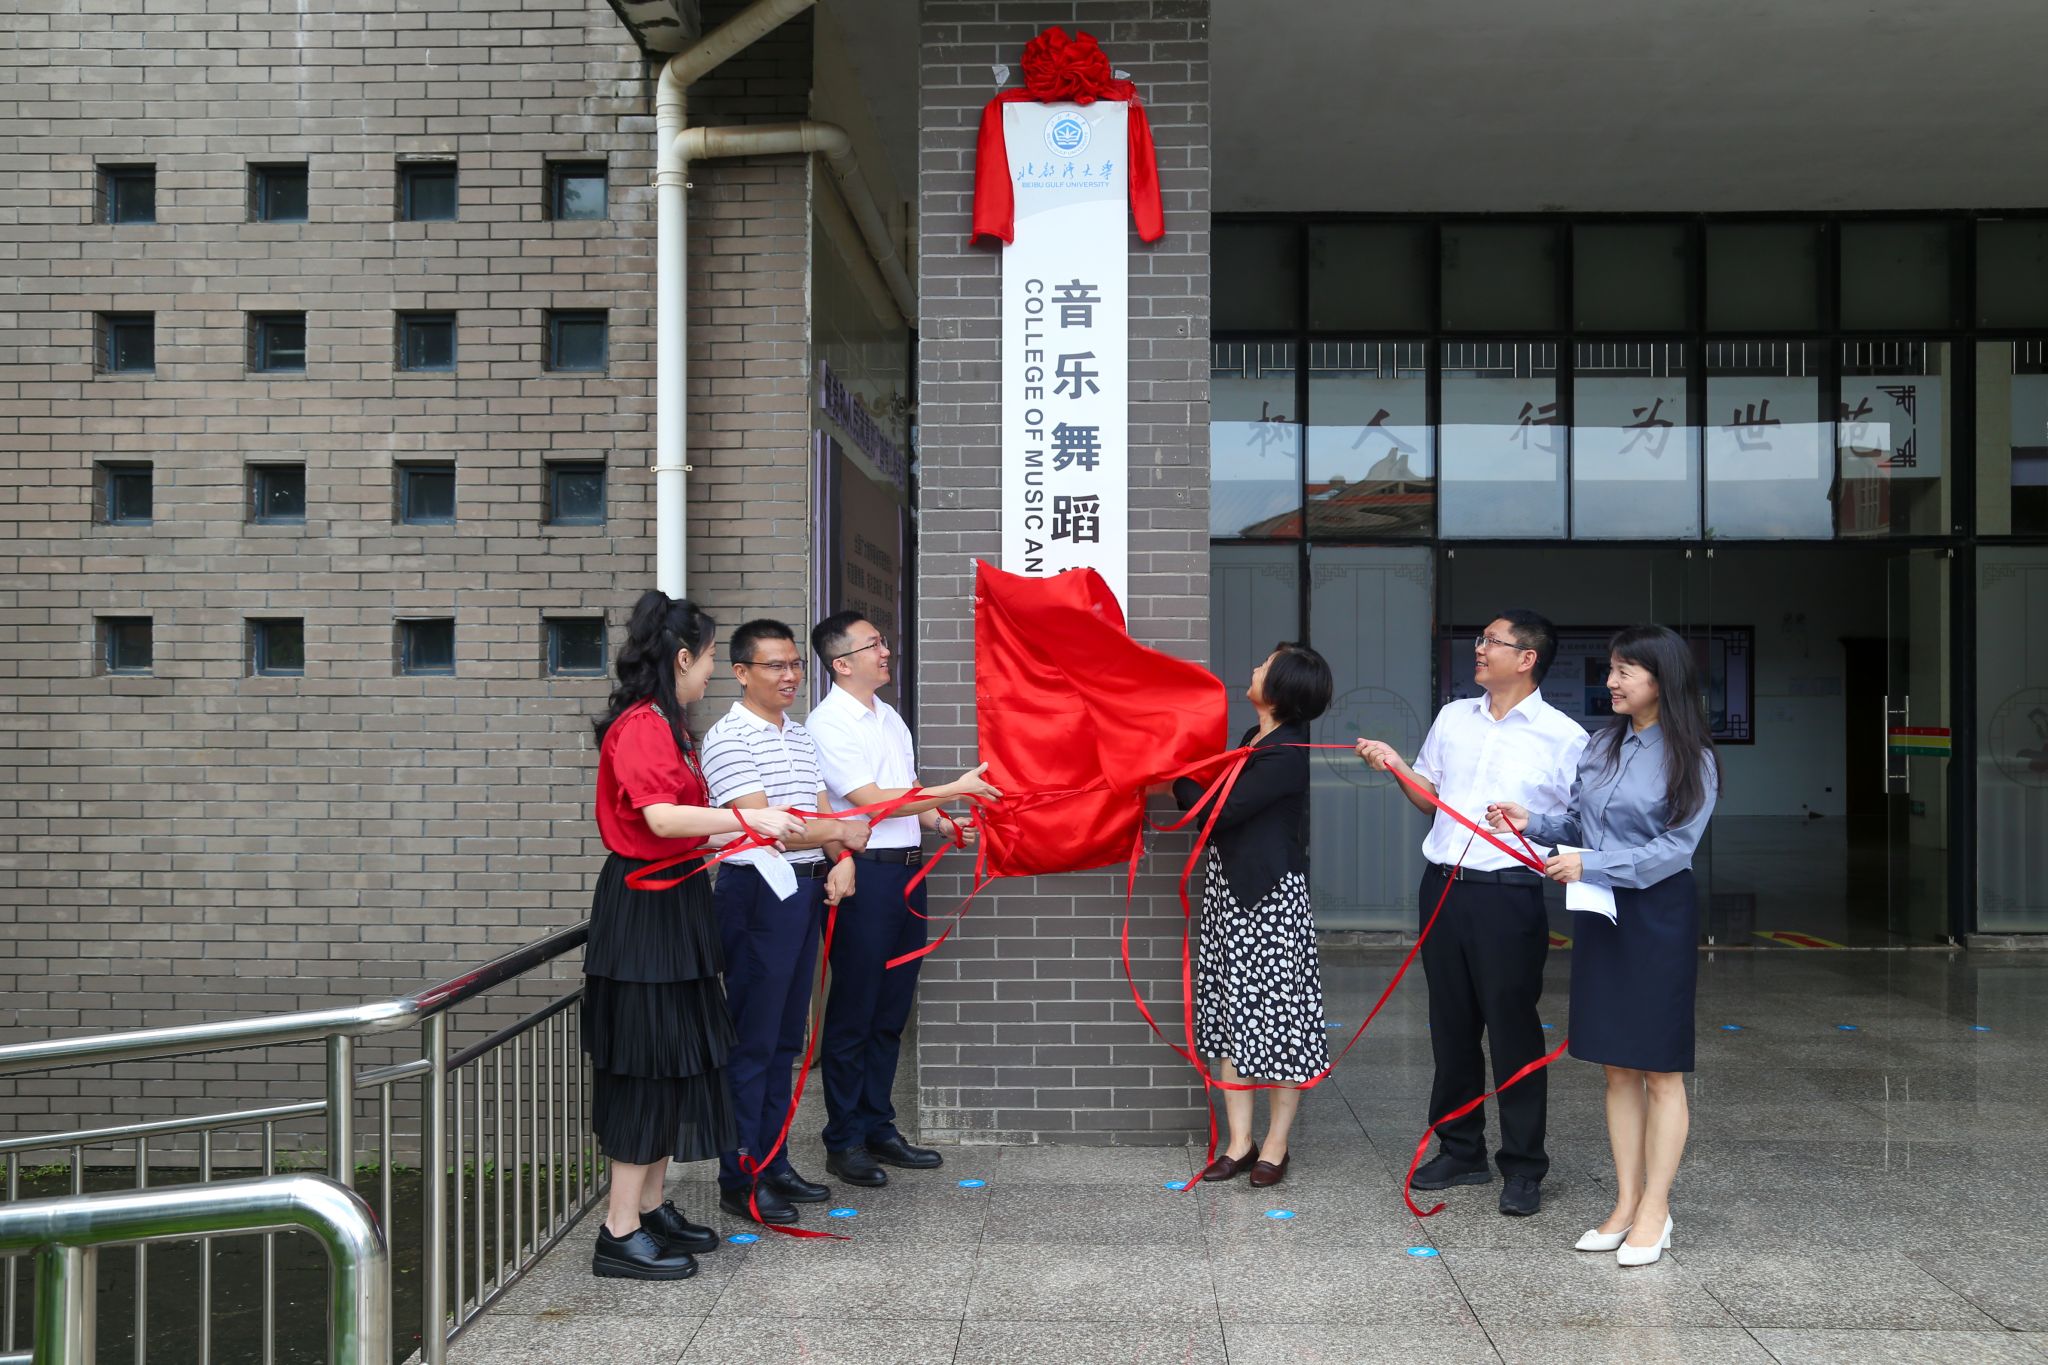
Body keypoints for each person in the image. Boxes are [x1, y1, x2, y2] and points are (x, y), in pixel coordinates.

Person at [584, 591, 807, 1280]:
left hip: (674, 902)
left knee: (675, 1060)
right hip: (645, 908)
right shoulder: (643, 726)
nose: (710, 671)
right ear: (682, 658)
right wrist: (747, 820)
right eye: (709, 657)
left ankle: (651, 1208)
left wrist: (739, 828)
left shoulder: (665, 724)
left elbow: (680, 821)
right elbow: (660, 818)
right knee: (646, 1065)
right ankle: (619, 1229)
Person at [1486, 625, 1719, 1266]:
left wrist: (1593, 866)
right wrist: (1533, 822)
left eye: (1624, 672)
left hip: (1657, 916)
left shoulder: (1692, 756)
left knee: (1660, 1067)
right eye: (1611, 669)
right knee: (1616, 1065)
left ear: (1662, 680)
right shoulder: (1602, 744)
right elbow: (1582, 823)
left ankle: (1656, 1209)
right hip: (1600, 913)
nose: (1610, 682)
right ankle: (1625, 1202)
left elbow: (1674, 850)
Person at [1356, 610, 1587, 1217]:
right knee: (1451, 1026)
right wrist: (1396, 765)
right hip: (1442, 888)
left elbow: (1583, 824)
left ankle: (1524, 1166)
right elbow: (1430, 800)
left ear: (1527, 658)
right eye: (1480, 639)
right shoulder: (1454, 717)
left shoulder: (1565, 737)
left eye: (1492, 641)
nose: (1479, 648)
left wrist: (1537, 829)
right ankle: (1460, 1150)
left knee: (1512, 1031)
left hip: (1508, 895)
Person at [805, 611, 1004, 1188]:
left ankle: (878, 1126)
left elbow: (907, 795)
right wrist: (955, 789)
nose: (885, 651)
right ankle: (844, 1139)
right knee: (855, 1011)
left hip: (908, 876)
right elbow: (872, 801)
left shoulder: (888, 717)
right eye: (873, 644)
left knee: (891, 1010)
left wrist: (941, 820)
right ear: (842, 663)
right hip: (863, 878)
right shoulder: (828, 723)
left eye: (883, 642)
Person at [700, 619, 871, 1226]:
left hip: (800, 889)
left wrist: (842, 858)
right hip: (756, 893)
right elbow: (762, 826)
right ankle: (740, 1174)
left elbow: (816, 812)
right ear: (741, 672)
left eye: (795, 663)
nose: (790, 675)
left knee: (784, 1039)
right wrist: (841, 831)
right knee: (753, 1038)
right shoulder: (728, 738)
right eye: (775, 665)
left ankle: (773, 1160)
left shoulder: (798, 735)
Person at [1175, 642, 1334, 1190]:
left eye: (1265, 665)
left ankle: (1275, 1146)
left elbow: (1219, 811)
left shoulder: (1285, 753)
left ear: (1283, 686)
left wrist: (1174, 776)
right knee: (1230, 1016)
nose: (1254, 668)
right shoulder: (1254, 739)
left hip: (1268, 903)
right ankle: (1238, 1144)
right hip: (1231, 894)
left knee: (1280, 1021)